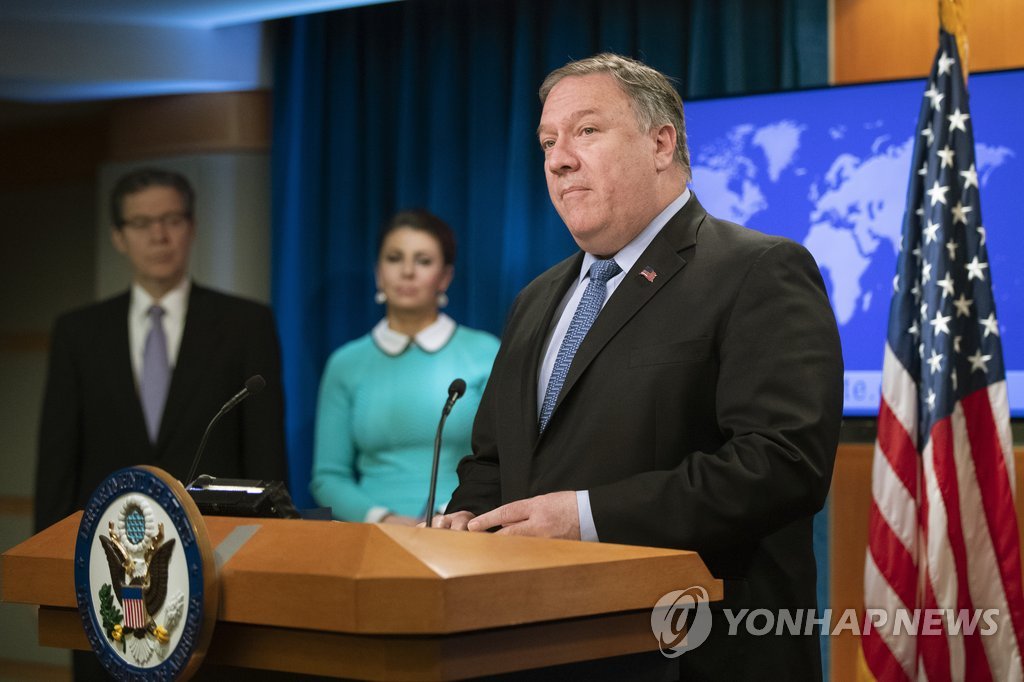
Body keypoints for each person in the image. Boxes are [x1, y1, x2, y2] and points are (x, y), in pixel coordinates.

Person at [432, 54, 844, 680]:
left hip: (690, 651)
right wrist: (468, 517)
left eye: (586, 131)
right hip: (535, 646)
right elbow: (494, 460)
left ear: (661, 143)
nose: (559, 159)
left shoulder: (757, 271)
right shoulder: (535, 299)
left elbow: (781, 464)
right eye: (548, 141)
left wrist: (586, 518)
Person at [35, 168, 287, 680]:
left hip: (215, 582)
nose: (159, 235)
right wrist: (55, 571)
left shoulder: (246, 323)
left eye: (172, 219)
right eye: (142, 223)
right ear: (118, 236)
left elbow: (266, 457)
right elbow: (57, 464)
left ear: (191, 227)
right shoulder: (78, 333)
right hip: (103, 581)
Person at [311, 210, 499, 524]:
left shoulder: (486, 353)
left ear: (445, 277)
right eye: (395, 258)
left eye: (423, 261)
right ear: (378, 273)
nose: (407, 272)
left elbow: (502, 462)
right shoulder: (346, 363)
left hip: (461, 528)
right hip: (371, 534)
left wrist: (446, 516)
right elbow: (328, 478)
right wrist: (385, 519)